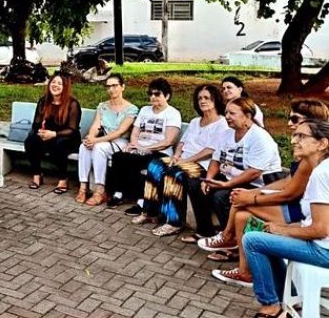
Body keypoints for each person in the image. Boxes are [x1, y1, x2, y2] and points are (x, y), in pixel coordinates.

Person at [204, 99, 329, 288]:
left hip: (302, 215)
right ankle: (244, 269)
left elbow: (291, 194)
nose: (290, 126)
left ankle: (228, 239)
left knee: (244, 214)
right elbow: (288, 182)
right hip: (305, 214)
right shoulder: (311, 157)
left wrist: (253, 198)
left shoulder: (315, 164)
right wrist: (255, 192)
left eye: (295, 120)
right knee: (242, 214)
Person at [238, 118, 329, 318]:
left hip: (324, 250)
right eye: (295, 135)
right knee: (266, 240)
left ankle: (270, 307)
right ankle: (281, 300)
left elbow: (321, 229)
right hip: (323, 245)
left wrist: (283, 230)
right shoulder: (323, 169)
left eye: (302, 136)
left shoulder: (321, 174)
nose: (294, 140)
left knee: (252, 240)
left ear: (322, 143)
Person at [134, 84, 228, 234]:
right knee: (155, 165)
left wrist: (187, 160)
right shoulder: (195, 121)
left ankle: (174, 222)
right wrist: (176, 156)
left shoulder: (222, 123)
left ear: (215, 99)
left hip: (201, 164)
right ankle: (150, 212)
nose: (202, 101)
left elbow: (211, 150)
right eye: (199, 98)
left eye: (206, 98)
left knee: (174, 174)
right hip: (183, 160)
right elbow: (183, 142)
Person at [187, 97, 283, 243]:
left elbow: (254, 172)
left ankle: (231, 239)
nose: (227, 117)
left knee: (221, 196)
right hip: (230, 178)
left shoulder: (260, 137)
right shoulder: (227, 133)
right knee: (196, 185)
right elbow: (216, 159)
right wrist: (209, 179)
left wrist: (226, 185)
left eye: (232, 113)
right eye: (226, 113)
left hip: (257, 184)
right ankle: (205, 231)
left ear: (248, 116)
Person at [107, 77, 182, 211]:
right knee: (119, 157)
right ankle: (119, 193)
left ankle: (142, 201)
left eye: (157, 94)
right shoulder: (145, 110)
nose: (153, 97)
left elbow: (168, 141)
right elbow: (135, 132)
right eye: (151, 94)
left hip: (160, 151)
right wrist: (134, 145)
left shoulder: (173, 113)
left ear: (167, 95)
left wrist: (145, 148)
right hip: (140, 148)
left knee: (139, 162)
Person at [77, 74, 138, 206]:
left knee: (98, 148)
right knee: (84, 146)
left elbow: (120, 131)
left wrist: (96, 141)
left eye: (114, 86)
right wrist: (91, 137)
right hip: (103, 140)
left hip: (120, 142)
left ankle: (100, 191)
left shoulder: (131, 109)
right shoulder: (102, 106)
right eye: (108, 86)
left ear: (122, 87)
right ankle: (83, 187)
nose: (111, 89)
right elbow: (95, 125)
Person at [23, 72, 82, 194]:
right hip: (47, 135)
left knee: (58, 144)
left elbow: (72, 129)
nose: (55, 85)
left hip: (67, 137)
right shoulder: (44, 101)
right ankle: (37, 174)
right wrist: (41, 132)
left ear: (65, 87)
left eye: (59, 83)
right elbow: (36, 123)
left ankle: (63, 178)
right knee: (31, 140)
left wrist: (54, 134)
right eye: (53, 82)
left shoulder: (72, 104)